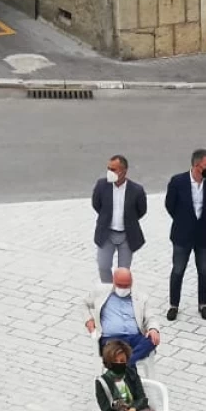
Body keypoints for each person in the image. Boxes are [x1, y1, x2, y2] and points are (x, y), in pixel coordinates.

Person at [165, 148, 206, 321]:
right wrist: (184, 220)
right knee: (178, 270)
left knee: (204, 270)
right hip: (182, 234)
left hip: (203, 234)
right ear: (197, 166)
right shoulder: (178, 181)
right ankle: (174, 305)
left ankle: (203, 304)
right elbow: (170, 205)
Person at [83, 268, 163, 366]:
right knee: (117, 352)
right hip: (111, 339)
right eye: (120, 285)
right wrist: (88, 320)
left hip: (134, 337)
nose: (123, 288)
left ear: (131, 282)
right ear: (114, 281)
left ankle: (126, 365)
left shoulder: (141, 297)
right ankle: (129, 365)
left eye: (126, 285)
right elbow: (83, 303)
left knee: (152, 340)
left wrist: (153, 329)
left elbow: (150, 317)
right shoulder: (101, 292)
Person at [92, 154, 148, 284]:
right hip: (107, 234)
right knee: (103, 266)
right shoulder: (102, 185)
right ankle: (108, 292)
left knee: (123, 272)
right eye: (108, 168)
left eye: (113, 169)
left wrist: (128, 221)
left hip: (126, 236)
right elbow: (96, 204)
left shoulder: (136, 190)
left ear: (123, 171)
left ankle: (120, 294)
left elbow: (141, 210)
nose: (109, 172)